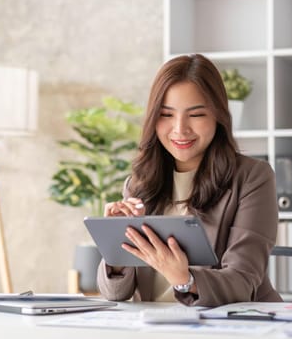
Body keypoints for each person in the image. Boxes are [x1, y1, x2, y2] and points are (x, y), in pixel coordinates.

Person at [97, 54, 282, 307]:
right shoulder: (138, 183)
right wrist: (116, 244)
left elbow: (243, 281)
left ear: (218, 116)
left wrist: (184, 279)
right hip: (153, 327)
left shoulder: (252, 178)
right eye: (166, 114)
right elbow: (116, 294)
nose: (180, 129)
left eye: (195, 115)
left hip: (226, 328)